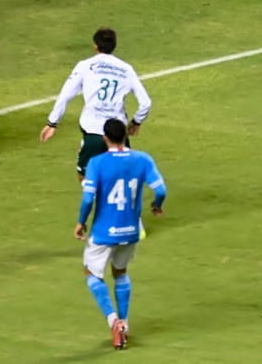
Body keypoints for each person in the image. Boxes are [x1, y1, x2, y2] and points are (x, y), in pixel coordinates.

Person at [74, 118, 167, 351]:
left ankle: (112, 320)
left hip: (105, 232)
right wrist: (157, 205)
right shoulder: (143, 159)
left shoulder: (97, 163)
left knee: (91, 272)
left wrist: (80, 222)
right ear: (126, 135)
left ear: (105, 138)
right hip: (131, 230)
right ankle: (124, 323)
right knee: (120, 272)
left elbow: (88, 198)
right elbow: (161, 189)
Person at [40, 28, 153, 179]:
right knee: (123, 178)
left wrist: (52, 123)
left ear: (95, 46)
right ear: (115, 45)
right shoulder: (126, 69)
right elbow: (145, 103)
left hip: (92, 131)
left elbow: (65, 95)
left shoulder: (85, 66)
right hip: (118, 133)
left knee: (85, 176)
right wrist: (136, 121)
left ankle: (96, 199)